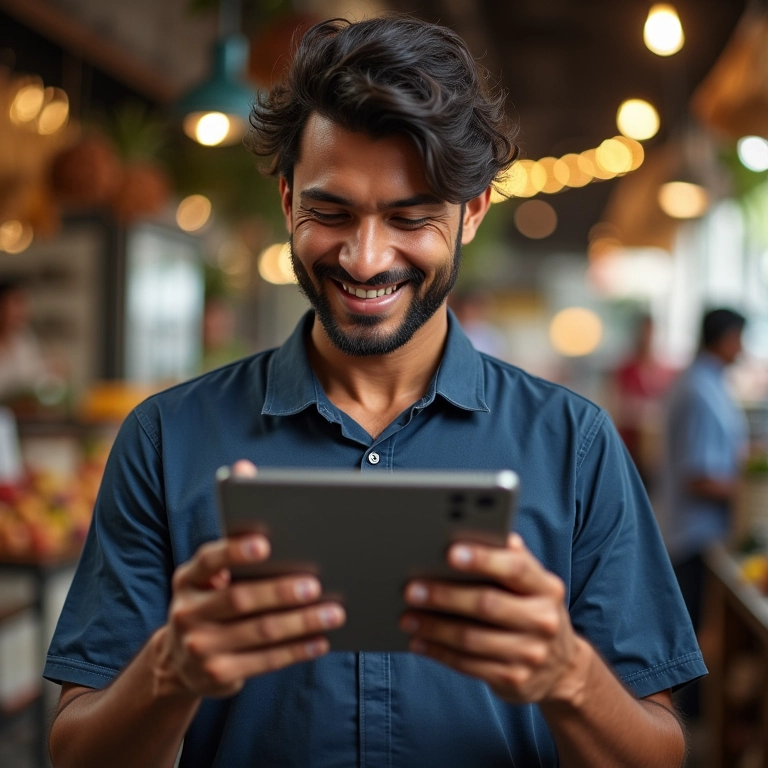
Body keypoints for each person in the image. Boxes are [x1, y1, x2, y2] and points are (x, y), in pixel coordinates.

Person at [45, 16, 704, 768]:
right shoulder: (165, 438)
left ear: (473, 212)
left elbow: (659, 756)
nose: (364, 259)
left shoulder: (576, 446)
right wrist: (172, 671)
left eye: (410, 217)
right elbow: (75, 754)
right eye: (331, 213)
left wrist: (567, 674)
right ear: (288, 199)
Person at [662, 307, 748, 716]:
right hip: (694, 533)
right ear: (726, 338)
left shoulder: (706, 382)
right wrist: (747, 492)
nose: (743, 348)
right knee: (693, 636)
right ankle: (688, 722)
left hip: (701, 531)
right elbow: (698, 475)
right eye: (740, 338)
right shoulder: (698, 389)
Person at [611, 312, 677, 488]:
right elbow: (617, 406)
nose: (648, 338)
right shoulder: (625, 369)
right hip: (630, 445)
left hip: (654, 447)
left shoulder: (666, 371)